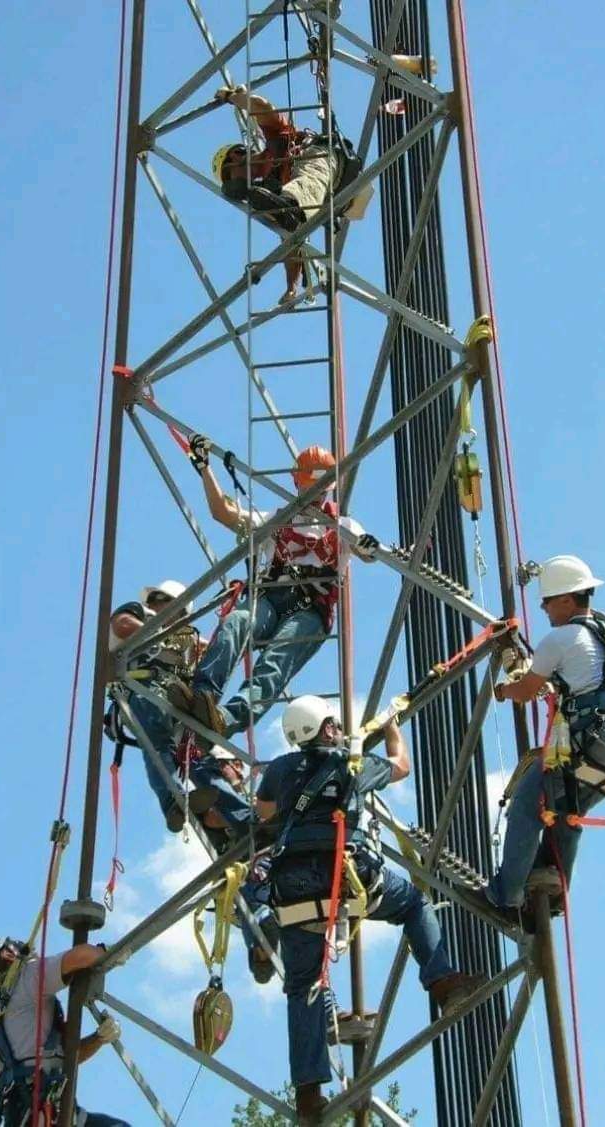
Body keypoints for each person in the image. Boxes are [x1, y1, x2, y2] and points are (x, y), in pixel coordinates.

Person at [254, 695, 487, 1124]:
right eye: (333, 725)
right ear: (327, 729)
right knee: (414, 904)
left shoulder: (279, 769)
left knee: (302, 987)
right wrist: (391, 726)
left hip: (293, 892)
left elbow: (264, 811)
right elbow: (401, 766)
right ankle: (441, 982)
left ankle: (308, 1094)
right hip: (346, 879)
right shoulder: (350, 763)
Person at [168, 438, 376, 748]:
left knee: (275, 661)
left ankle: (225, 719)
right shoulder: (275, 520)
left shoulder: (343, 526)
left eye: (323, 489)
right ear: (297, 483)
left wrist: (369, 548)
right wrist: (205, 469)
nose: (317, 495)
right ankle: (202, 696)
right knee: (236, 624)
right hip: (270, 599)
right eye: (311, 487)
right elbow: (223, 513)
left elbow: (365, 550)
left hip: (310, 610)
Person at [487, 555, 605, 915]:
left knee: (526, 803)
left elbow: (526, 691)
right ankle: (551, 892)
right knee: (567, 810)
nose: (544, 609)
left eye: (547, 601)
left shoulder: (561, 638)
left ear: (566, 599)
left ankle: (507, 895)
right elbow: (563, 684)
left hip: (599, 740)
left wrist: (502, 691)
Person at [109, 579, 252, 838]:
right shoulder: (140, 614)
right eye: (158, 601)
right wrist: (160, 637)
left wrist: (214, 642)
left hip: (174, 702)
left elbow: (213, 651)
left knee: (200, 760)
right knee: (159, 745)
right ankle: (173, 800)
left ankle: (241, 818)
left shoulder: (186, 638)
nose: (159, 606)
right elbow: (121, 624)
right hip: (143, 690)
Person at [211, 83, 363, 302]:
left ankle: (291, 207)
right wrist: (292, 287)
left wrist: (233, 98)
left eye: (230, 175)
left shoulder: (276, 137)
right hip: (323, 198)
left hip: (322, 159)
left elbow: (262, 106)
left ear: (236, 155)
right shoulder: (270, 190)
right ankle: (290, 209)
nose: (235, 179)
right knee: (286, 217)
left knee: (300, 183)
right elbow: (290, 239)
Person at [0, 938, 128, 1126]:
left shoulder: (9, 1014)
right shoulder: (27, 978)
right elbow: (81, 957)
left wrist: (99, 1038)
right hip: (41, 1111)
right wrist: (108, 953)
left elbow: (68, 1057)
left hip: (44, 1111)